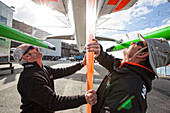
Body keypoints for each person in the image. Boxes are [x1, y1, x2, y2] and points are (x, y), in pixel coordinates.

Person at [86, 33, 170, 113]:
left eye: (139, 43)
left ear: (142, 54)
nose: (133, 42)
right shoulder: (130, 72)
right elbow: (114, 64)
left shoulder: (130, 87)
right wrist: (100, 53)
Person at [13, 44, 97, 113]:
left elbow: (63, 71)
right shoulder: (30, 79)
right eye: (31, 47)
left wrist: (82, 64)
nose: (36, 47)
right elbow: (54, 102)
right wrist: (84, 98)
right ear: (27, 56)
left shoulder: (43, 68)